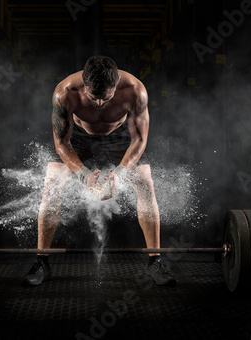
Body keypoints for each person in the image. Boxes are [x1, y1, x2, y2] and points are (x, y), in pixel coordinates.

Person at [25, 56, 175, 286]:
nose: (98, 103)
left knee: (145, 180)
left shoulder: (136, 91)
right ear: (84, 86)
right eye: (93, 97)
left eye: (106, 97)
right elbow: (61, 143)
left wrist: (121, 172)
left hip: (119, 136)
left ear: (115, 86)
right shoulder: (64, 93)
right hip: (78, 137)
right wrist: (84, 175)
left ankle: (155, 261)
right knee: (53, 181)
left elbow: (140, 139)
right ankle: (41, 261)